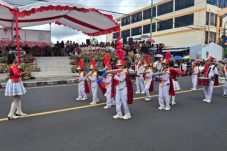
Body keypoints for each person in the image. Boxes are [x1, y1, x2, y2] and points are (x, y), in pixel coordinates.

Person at [5, 53, 27, 120]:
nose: (17, 57)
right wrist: (23, 73)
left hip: (15, 82)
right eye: (16, 56)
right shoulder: (13, 65)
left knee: (18, 97)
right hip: (15, 82)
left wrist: (18, 68)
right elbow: (16, 74)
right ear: (13, 58)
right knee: (16, 98)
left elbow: (15, 72)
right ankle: (11, 114)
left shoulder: (13, 65)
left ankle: (19, 111)